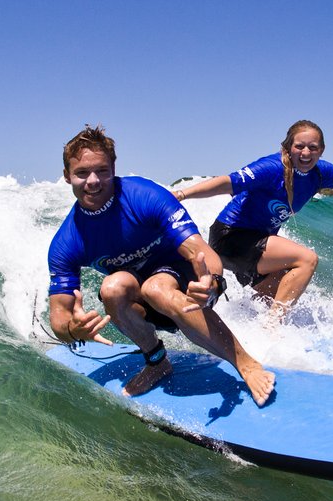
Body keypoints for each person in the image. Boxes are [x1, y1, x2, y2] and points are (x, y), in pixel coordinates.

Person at [47, 125, 276, 406]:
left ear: (113, 168)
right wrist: (73, 330)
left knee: (156, 286)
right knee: (112, 288)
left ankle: (246, 364)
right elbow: (58, 316)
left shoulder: (144, 196)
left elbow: (200, 251)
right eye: (82, 173)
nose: (93, 181)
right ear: (67, 176)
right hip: (144, 304)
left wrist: (213, 282)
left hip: (189, 285)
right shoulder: (67, 241)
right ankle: (157, 362)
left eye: (102, 171)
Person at [174, 120, 333, 320]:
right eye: (299, 146)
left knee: (277, 295)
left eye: (313, 147)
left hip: (255, 243)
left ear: (321, 150)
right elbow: (227, 182)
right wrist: (182, 194)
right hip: (231, 237)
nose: (306, 153)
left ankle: (249, 330)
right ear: (287, 147)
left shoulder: (320, 172)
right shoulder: (271, 168)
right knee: (307, 259)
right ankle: (273, 327)